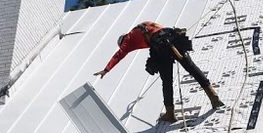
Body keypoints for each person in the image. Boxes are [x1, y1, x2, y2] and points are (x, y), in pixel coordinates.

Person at [94, 21, 223, 122]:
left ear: (122, 40)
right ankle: (213, 96)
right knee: (192, 68)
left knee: (166, 81)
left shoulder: (128, 40)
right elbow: (159, 30)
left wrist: (106, 69)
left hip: (160, 46)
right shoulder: (143, 25)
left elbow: (120, 54)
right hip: (172, 37)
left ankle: (170, 114)